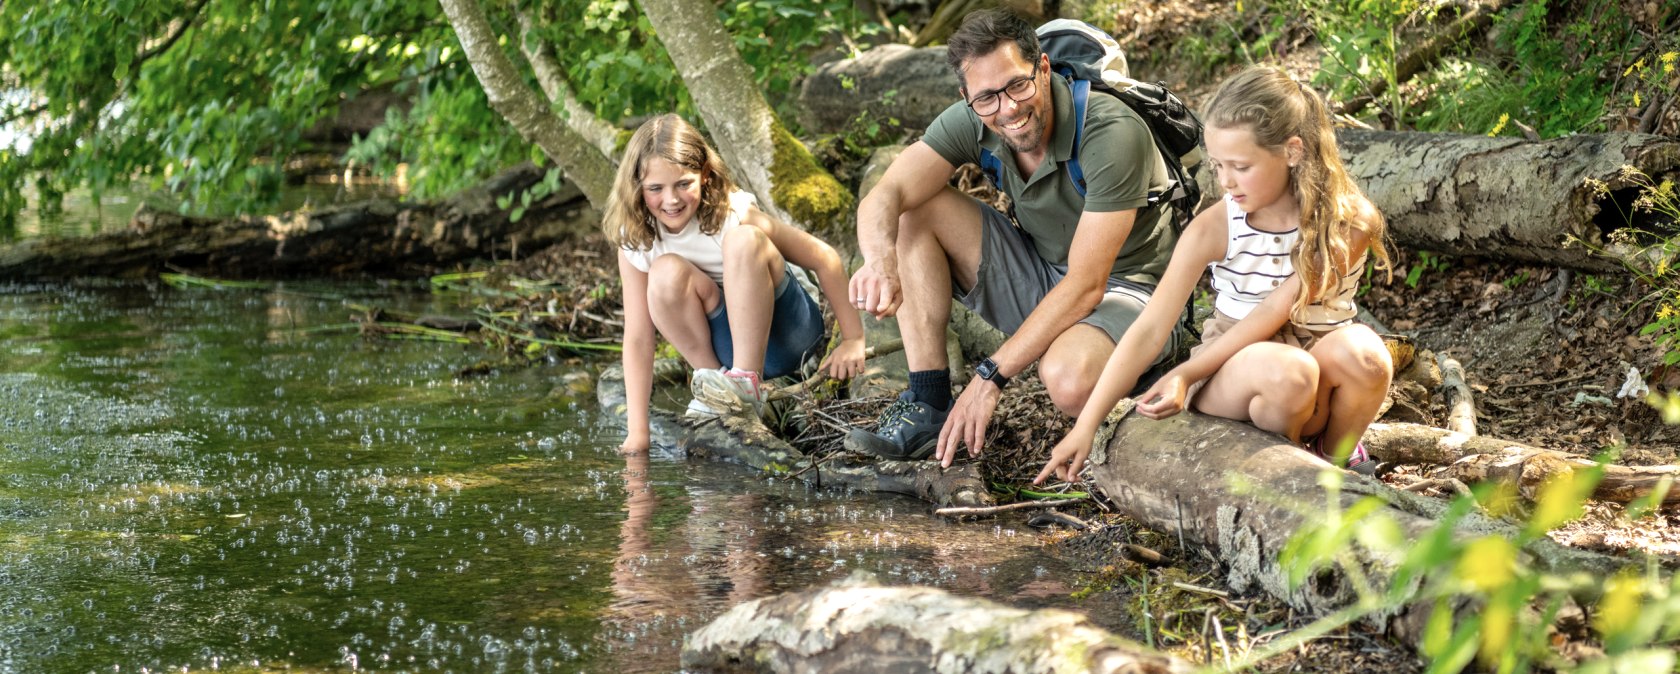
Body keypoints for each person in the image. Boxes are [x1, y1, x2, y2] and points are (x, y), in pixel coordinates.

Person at [847, 9, 1188, 466]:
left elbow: (1088, 284)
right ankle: (927, 403)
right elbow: (886, 193)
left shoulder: (1110, 131)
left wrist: (989, 377)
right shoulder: (975, 116)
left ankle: (1147, 367)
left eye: (1017, 85)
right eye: (986, 97)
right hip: (1047, 274)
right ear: (966, 97)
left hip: (1131, 291)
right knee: (913, 212)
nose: (1007, 108)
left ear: (1043, 69)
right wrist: (878, 261)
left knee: (1067, 379)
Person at [1035, 66, 1395, 485]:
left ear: (1292, 151)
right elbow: (1150, 327)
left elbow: (1279, 309)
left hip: (1315, 364)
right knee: (1291, 374)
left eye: (1240, 166)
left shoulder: (1348, 222)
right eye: (1217, 165)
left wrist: (1180, 374)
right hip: (1235, 368)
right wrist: (1087, 424)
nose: (1225, 182)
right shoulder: (1216, 226)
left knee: (1365, 354)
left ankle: (1335, 463)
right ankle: (1285, 468)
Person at [608, 114, 866, 453]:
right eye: (656, 189)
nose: (671, 200)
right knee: (665, 272)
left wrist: (853, 338)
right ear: (637, 188)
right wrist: (638, 432)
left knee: (743, 240)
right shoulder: (636, 240)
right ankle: (715, 385)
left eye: (683, 184)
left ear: (704, 174)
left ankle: (746, 385)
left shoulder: (732, 213)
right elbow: (639, 336)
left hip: (790, 334)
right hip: (723, 344)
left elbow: (824, 257)